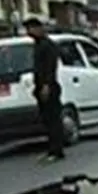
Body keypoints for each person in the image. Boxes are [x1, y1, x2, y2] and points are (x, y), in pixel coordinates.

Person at [25, 18, 65, 162]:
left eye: (31, 28)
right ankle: (52, 149)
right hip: (41, 86)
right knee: (47, 119)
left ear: (39, 28)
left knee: (53, 119)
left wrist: (46, 85)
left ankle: (57, 150)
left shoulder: (48, 45)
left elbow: (50, 67)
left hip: (49, 86)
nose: (29, 32)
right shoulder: (37, 45)